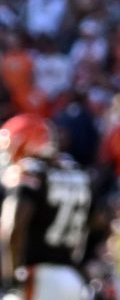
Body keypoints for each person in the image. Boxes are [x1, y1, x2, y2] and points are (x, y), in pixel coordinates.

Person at [0, 116, 90, 300]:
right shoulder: (77, 172)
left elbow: (14, 227)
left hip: (38, 277)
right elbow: (97, 220)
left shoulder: (28, 171)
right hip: (72, 278)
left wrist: (12, 277)